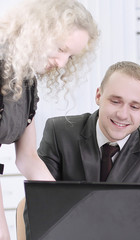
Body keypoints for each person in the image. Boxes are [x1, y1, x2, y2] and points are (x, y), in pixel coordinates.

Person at [37, 61, 140, 240]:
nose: (122, 114)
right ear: (98, 95)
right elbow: (38, 206)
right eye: (115, 101)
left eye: (134, 106)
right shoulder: (59, 133)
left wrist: (118, 234)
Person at [0, 0, 98, 239]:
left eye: (71, 57)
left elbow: (28, 159)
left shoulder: (27, 82)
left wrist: (66, 207)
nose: (62, 63)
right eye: (61, 49)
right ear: (39, 31)